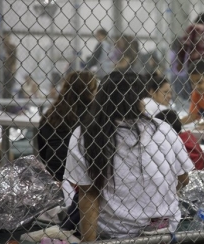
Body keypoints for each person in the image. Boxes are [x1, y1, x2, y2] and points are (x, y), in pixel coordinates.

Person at [64, 72, 193, 241]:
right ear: (140, 99)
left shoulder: (85, 134)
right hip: (164, 226)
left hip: (113, 230)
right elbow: (183, 179)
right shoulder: (164, 129)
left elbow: (87, 195)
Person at [38, 71, 97, 182]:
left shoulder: (50, 115)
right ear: (90, 91)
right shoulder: (94, 115)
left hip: (54, 176)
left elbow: (42, 150)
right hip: (83, 178)